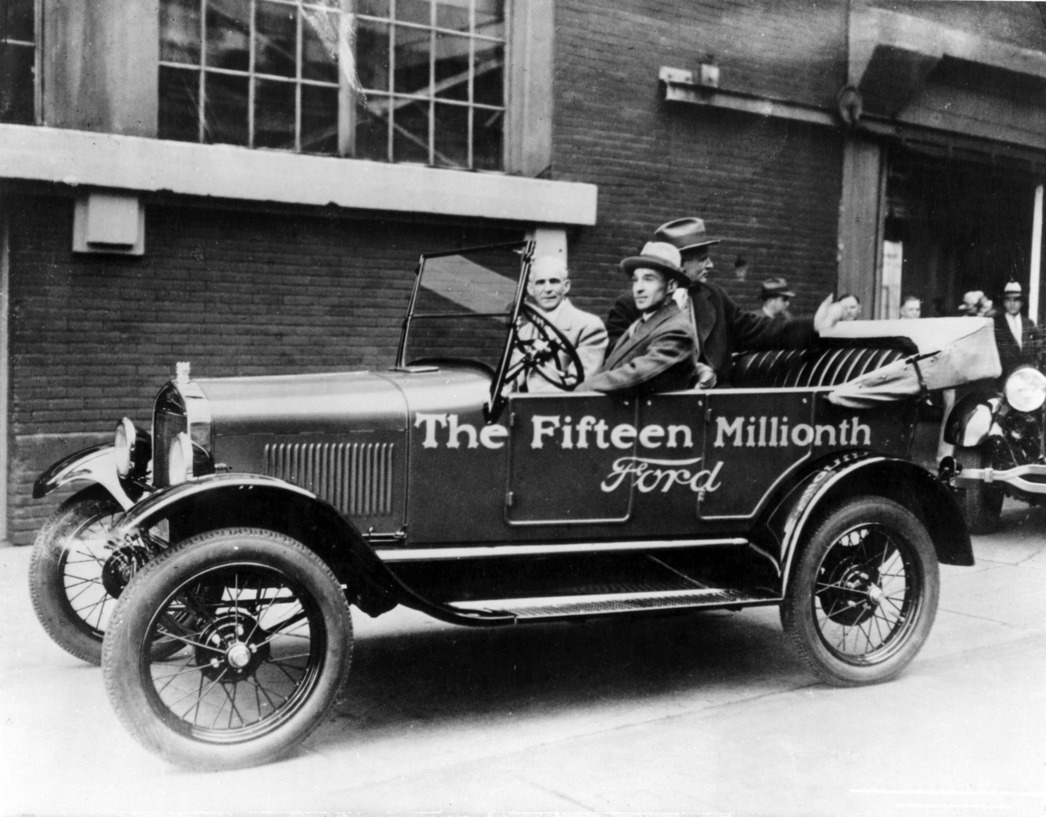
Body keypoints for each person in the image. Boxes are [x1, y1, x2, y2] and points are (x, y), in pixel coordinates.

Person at [604, 217, 842, 386]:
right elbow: (618, 359)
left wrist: (813, 326)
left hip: (716, 407)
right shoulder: (631, 305)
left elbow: (757, 330)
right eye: (703, 259)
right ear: (678, 264)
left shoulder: (714, 296)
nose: (710, 265)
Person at [580, 242, 706, 394]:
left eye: (648, 279)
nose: (638, 288)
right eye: (635, 280)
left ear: (671, 286)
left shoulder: (678, 329)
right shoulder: (643, 322)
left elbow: (636, 374)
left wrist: (583, 389)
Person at [513, 255, 608, 391]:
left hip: (556, 403)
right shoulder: (524, 332)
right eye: (540, 282)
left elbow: (579, 384)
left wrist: (528, 399)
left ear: (566, 286)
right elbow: (513, 379)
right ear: (530, 289)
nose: (547, 289)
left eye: (554, 281)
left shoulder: (589, 326)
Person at [993, 279, 1039, 375]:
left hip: (1026, 375)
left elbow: (1036, 350)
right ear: (1003, 302)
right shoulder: (996, 324)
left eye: (1016, 300)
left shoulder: (1029, 323)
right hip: (1005, 377)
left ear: (1022, 303)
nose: (1012, 304)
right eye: (1008, 300)